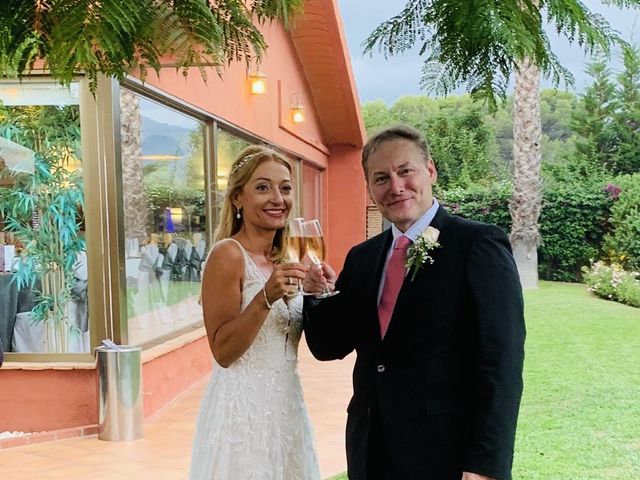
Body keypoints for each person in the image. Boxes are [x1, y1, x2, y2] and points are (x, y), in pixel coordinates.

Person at [303, 125, 526, 480]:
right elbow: (330, 346)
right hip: (371, 450)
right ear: (370, 188)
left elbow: (502, 363)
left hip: (445, 453)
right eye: (381, 178)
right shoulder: (362, 257)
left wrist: (486, 464)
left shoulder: (478, 244)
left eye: (405, 171)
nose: (395, 187)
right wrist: (317, 296)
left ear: (431, 171)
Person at [190, 145, 320, 480]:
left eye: (285, 188)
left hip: (286, 405)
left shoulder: (284, 257)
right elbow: (223, 351)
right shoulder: (228, 255)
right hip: (242, 412)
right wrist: (265, 297)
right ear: (237, 198)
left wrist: (317, 293)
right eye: (263, 187)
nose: (278, 198)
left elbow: (287, 335)